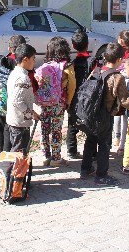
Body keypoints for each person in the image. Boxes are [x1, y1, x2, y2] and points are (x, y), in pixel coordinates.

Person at [80, 43, 129, 186]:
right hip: (104, 114)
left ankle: (85, 169)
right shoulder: (117, 77)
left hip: (90, 112)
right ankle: (101, 175)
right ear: (120, 59)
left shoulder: (96, 70)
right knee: (104, 144)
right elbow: (125, 101)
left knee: (90, 141)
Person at [35, 37, 76, 166]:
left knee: (44, 128)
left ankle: (45, 156)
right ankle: (56, 158)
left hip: (44, 103)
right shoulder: (67, 66)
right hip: (58, 103)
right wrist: (68, 101)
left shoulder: (45, 65)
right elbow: (72, 85)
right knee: (56, 130)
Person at [0, 35, 27, 154]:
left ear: (10, 48)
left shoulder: (1, 60)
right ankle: (7, 153)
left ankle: (0, 152)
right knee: (9, 127)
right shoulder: (22, 63)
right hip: (14, 101)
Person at [6, 44, 40, 152]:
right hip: (20, 122)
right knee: (18, 152)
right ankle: (12, 168)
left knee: (20, 150)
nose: (34, 61)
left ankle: (20, 168)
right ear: (25, 59)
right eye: (33, 58)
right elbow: (17, 101)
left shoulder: (14, 73)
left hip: (15, 119)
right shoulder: (23, 78)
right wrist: (30, 113)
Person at [67, 31, 90, 159]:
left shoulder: (72, 64)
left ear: (73, 46)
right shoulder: (91, 62)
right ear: (87, 44)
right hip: (88, 98)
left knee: (72, 124)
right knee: (90, 126)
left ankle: (71, 150)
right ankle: (91, 153)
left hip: (74, 98)